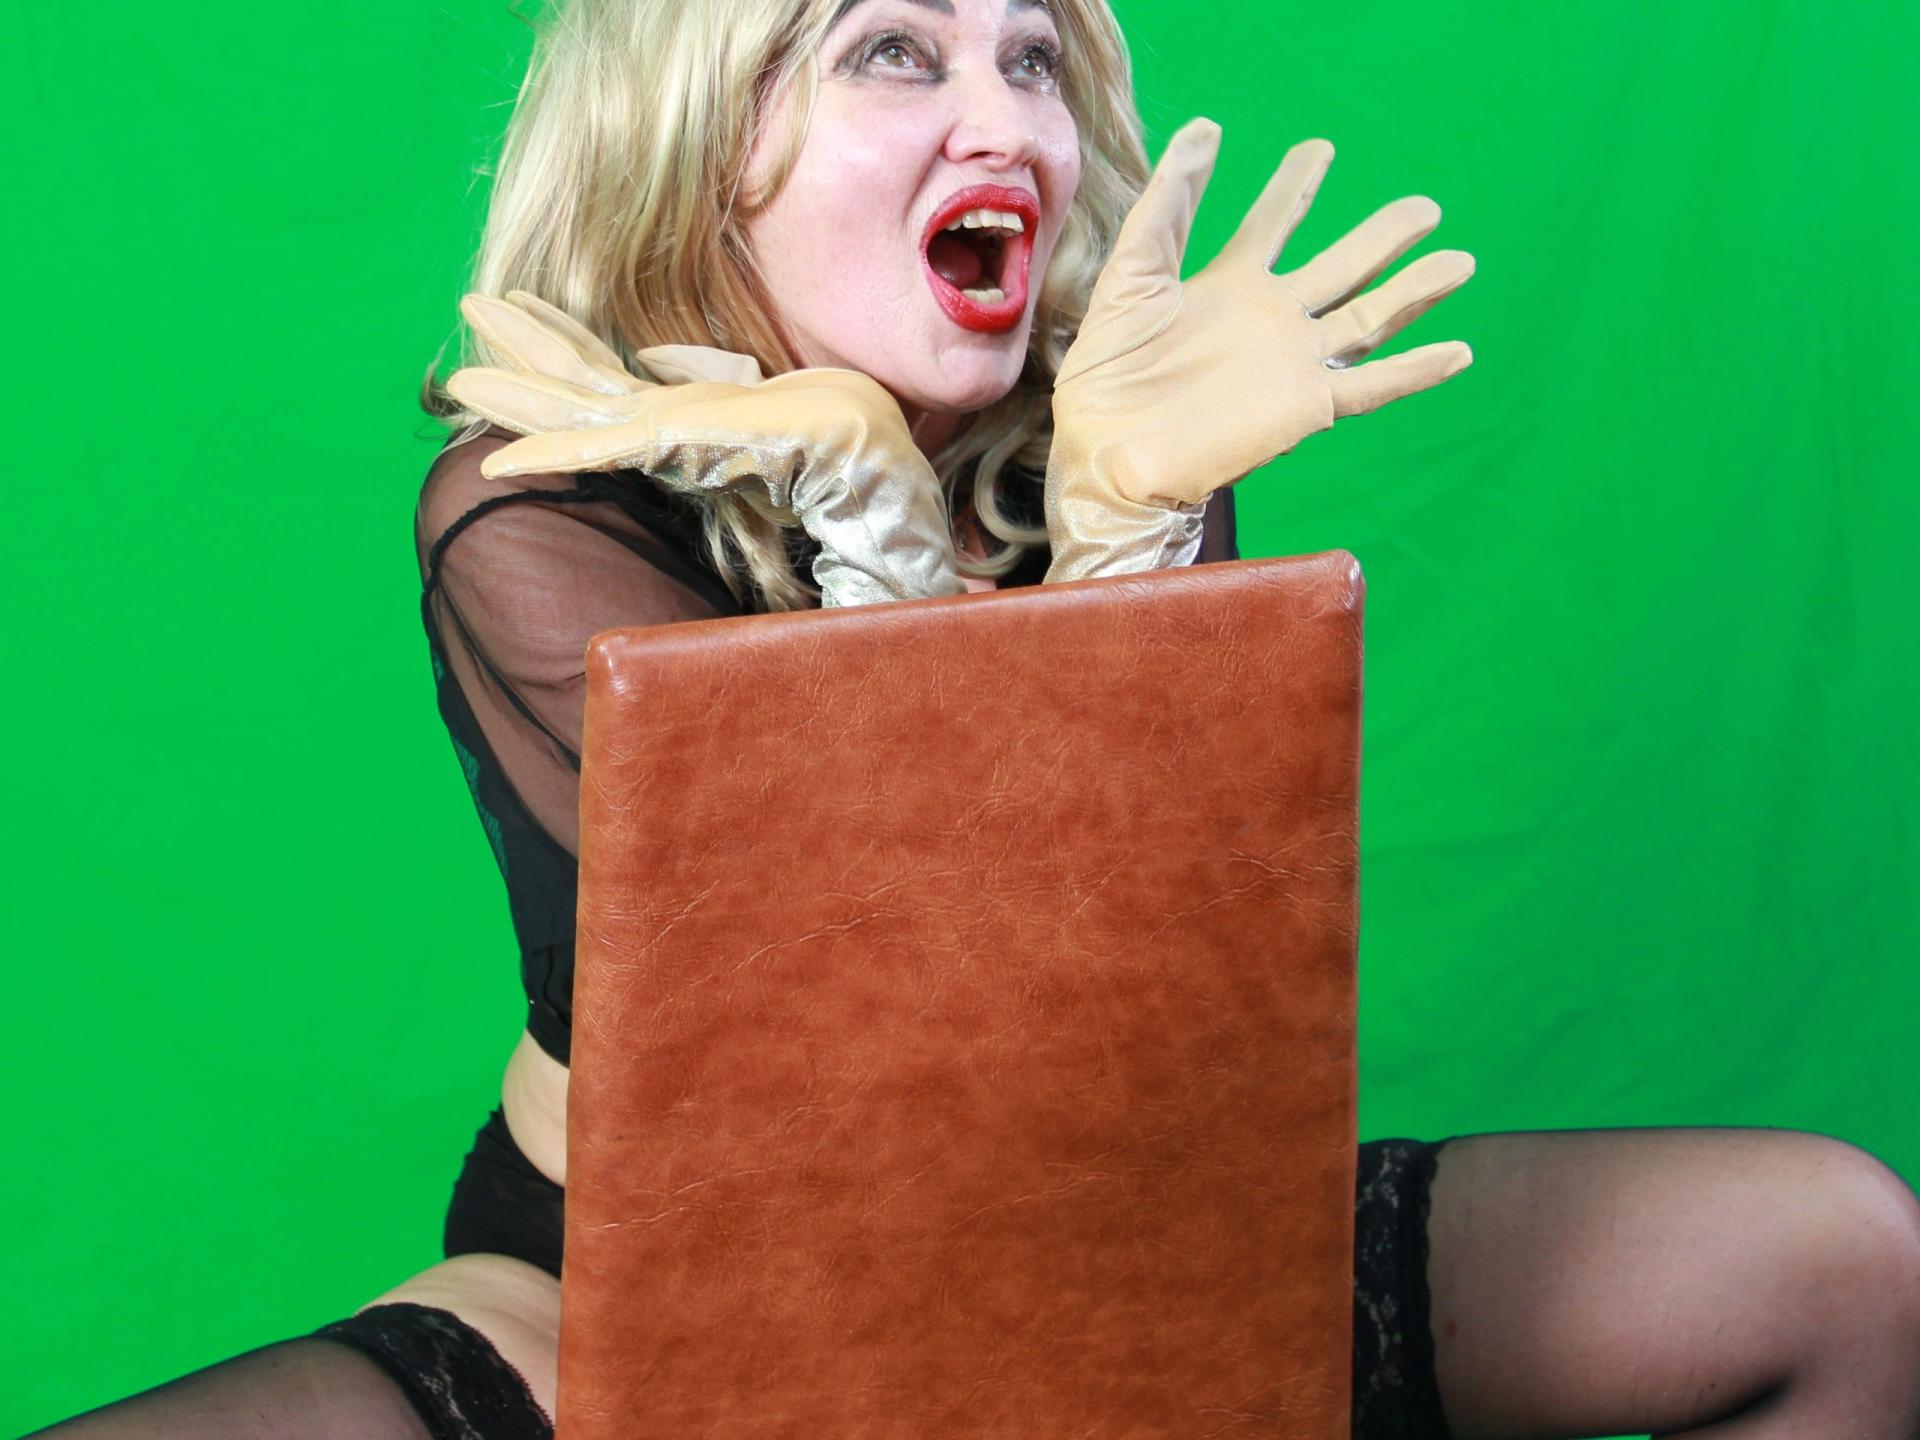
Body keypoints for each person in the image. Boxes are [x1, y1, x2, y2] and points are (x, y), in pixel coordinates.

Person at [28, 0, 1920, 1436]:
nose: (1004, 116)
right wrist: (868, 515)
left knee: (1837, 1258)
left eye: (1031, 56)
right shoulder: (538, 511)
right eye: (894, 52)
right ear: (705, 139)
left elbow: (1126, 1010)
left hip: (1114, 1216)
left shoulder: (1124, 435)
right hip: (655, 1261)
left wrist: (1121, 528)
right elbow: (871, 1013)